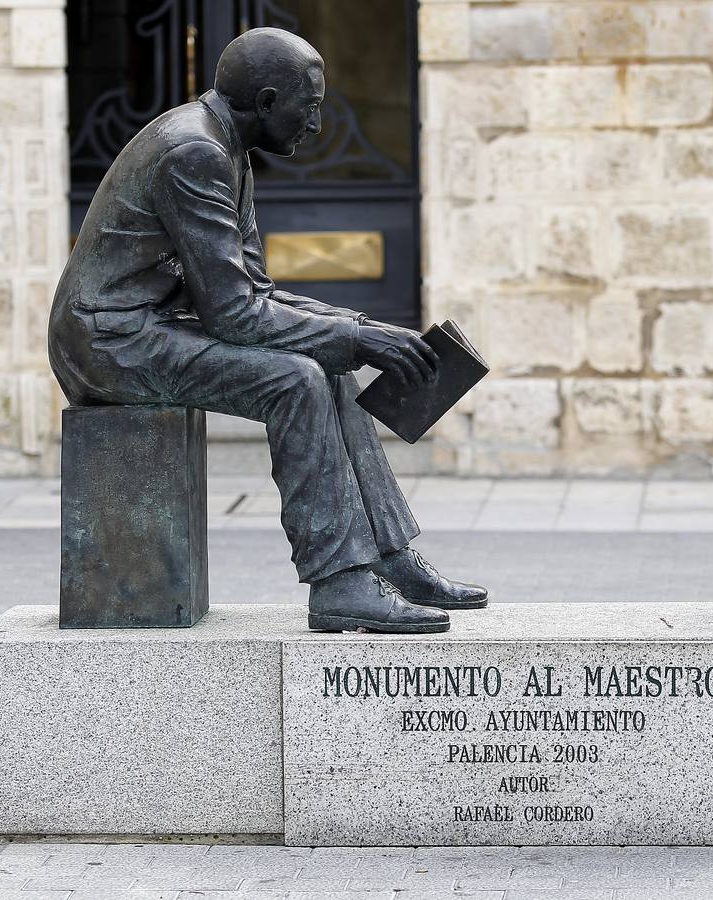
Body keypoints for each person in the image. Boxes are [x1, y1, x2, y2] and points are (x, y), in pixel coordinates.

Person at [49, 28, 485, 634]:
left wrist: (359, 329)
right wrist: (358, 341)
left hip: (147, 325)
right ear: (267, 101)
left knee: (322, 362)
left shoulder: (228, 150)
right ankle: (339, 583)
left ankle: (386, 557)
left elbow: (254, 293)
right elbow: (233, 316)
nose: (317, 127)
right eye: (309, 108)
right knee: (295, 380)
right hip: (106, 342)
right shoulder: (193, 153)